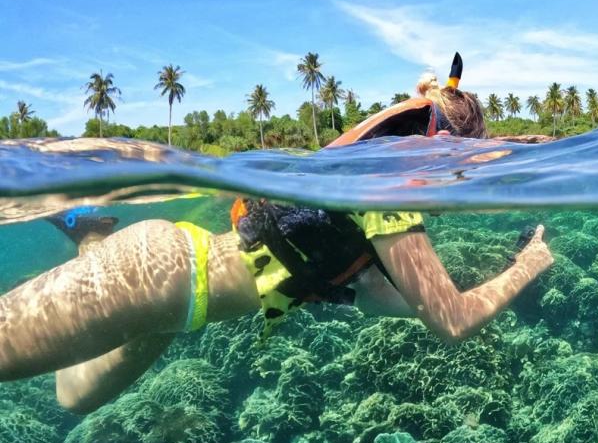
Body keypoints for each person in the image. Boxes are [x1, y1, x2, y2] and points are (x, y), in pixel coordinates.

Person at [0, 54, 555, 413]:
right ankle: (94, 241)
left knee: (74, 398)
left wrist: (434, 298)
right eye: (458, 171)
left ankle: (89, 233)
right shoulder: (388, 200)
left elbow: (382, 298)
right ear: (439, 153)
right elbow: (452, 322)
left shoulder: (374, 202)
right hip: (154, 277)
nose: (452, 189)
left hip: (170, 306)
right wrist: (528, 265)